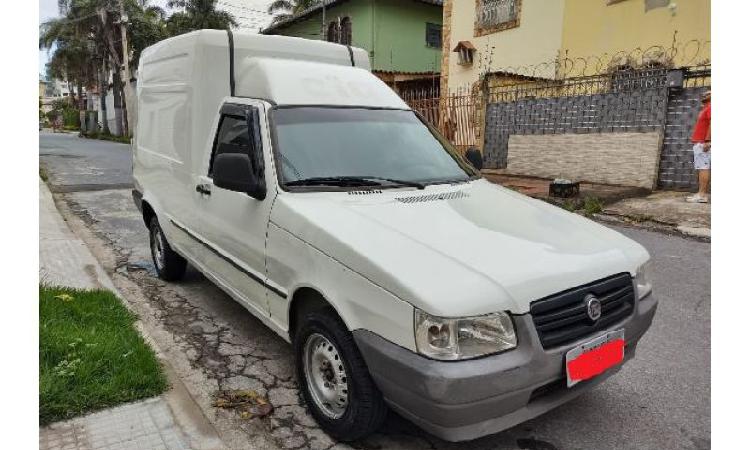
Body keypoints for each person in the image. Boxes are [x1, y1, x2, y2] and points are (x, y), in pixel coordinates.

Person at [687, 90, 711, 203]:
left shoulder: (711, 106)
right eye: (704, 93)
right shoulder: (706, 107)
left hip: (703, 143)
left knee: (703, 168)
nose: (704, 94)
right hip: (700, 143)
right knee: (702, 168)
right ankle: (702, 193)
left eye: (708, 93)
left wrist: (708, 140)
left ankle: (702, 195)